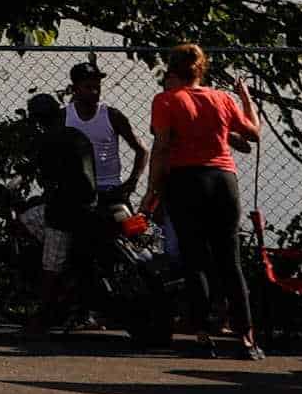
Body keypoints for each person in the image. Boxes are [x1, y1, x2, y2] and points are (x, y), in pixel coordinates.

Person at [146, 41, 261, 355]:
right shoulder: (221, 98)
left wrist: (151, 192)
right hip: (224, 180)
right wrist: (245, 98)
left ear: (172, 69)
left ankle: (202, 334)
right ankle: (246, 336)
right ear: (201, 68)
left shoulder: (167, 100)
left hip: (186, 180)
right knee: (230, 261)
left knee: (194, 259)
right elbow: (253, 132)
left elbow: (162, 148)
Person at [20, 90, 108, 337]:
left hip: (64, 211)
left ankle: (43, 316)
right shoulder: (75, 135)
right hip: (91, 204)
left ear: (37, 120)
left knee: (51, 264)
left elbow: (49, 181)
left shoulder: (48, 142)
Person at [60, 61, 143, 208]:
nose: (94, 92)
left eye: (97, 87)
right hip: (77, 189)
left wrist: (131, 182)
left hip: (110, 188)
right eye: (88, 87)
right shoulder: (64, 117)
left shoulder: (112, 116)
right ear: (75, 89)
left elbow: (142, 151)